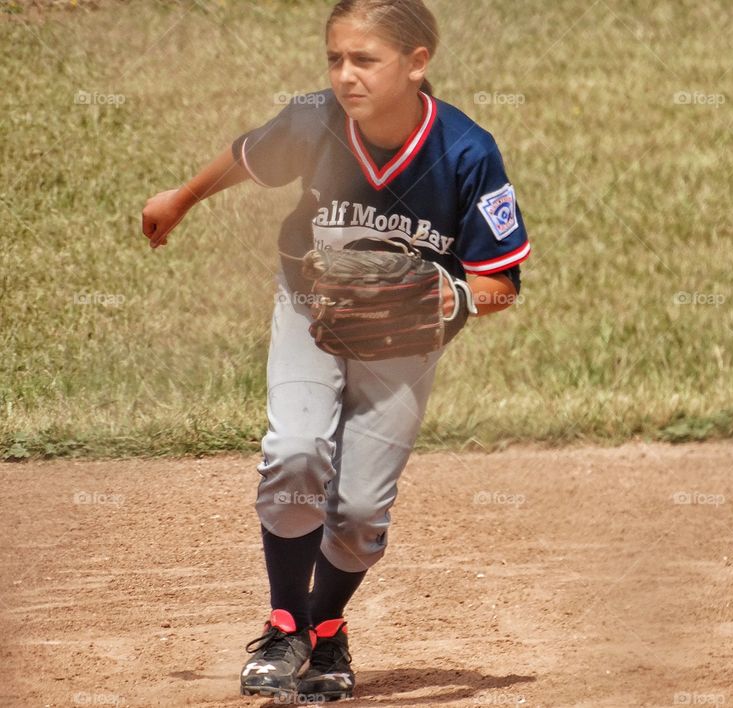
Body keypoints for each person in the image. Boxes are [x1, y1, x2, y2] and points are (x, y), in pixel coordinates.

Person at [141, 0, 530, 701]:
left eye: (365, 60)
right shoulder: (316, 117)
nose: (346, 76)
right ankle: (285, 623)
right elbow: (248, 156)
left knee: (356, 516)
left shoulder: (467, 151)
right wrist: (184, 196)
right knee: (296, 452)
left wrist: (455, 298)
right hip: (307, 309)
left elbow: (502, 278)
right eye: (335, 58)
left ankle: (325, 632)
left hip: (403, 342)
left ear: (418, 64)